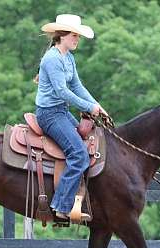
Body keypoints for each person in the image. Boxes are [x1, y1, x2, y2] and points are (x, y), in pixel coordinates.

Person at [35, 14, 107, 220]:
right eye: (74, 35)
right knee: (78, 154)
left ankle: (80, 199)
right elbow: (62, 92)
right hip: (49, 114)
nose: (77, 39)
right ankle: (61, 206)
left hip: (62, 112)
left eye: (78, 36)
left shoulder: (68, 57)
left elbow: (76, 86)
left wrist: (96, 105)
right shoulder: (52, 58)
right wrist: (88, 107)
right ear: (62, 35)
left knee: (88, 143)